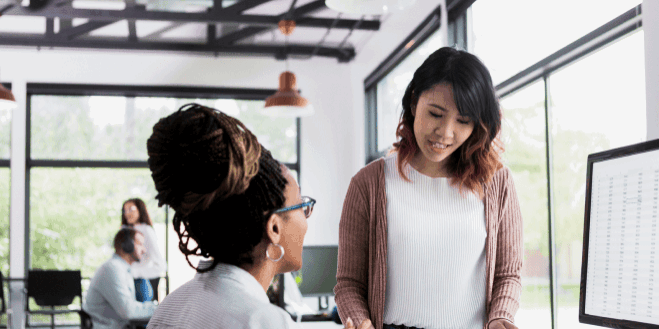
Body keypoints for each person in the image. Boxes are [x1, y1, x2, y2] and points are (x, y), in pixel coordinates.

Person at [335, 47, 523, 329]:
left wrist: (500, 317)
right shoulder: (369, 184)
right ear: (413, 103)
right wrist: (361, 322)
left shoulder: (498, 183)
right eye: (435, 114)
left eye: (463, 121)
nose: (446, 133)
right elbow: (348, 283)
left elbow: (508, 274)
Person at [144, 104, 318, 329]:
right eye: (302, 206)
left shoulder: (169, 308)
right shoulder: (264, 321)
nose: (306, 221)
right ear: (274, 228)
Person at [84, 228, 158, 329]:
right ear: (127, 245)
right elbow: (128, 311)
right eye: (140, 244)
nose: (144, 250)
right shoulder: (112, 269)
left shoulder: (122, 268)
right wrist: (160, 309)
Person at [121, 198, 167, 301]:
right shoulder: (125, 230)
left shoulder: (146, 230)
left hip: (140, 281)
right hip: (127, 281)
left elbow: (160, 265)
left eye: (131, 209)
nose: (127, 213)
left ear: (140, 210)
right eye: (125, 210)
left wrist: (136, 272)